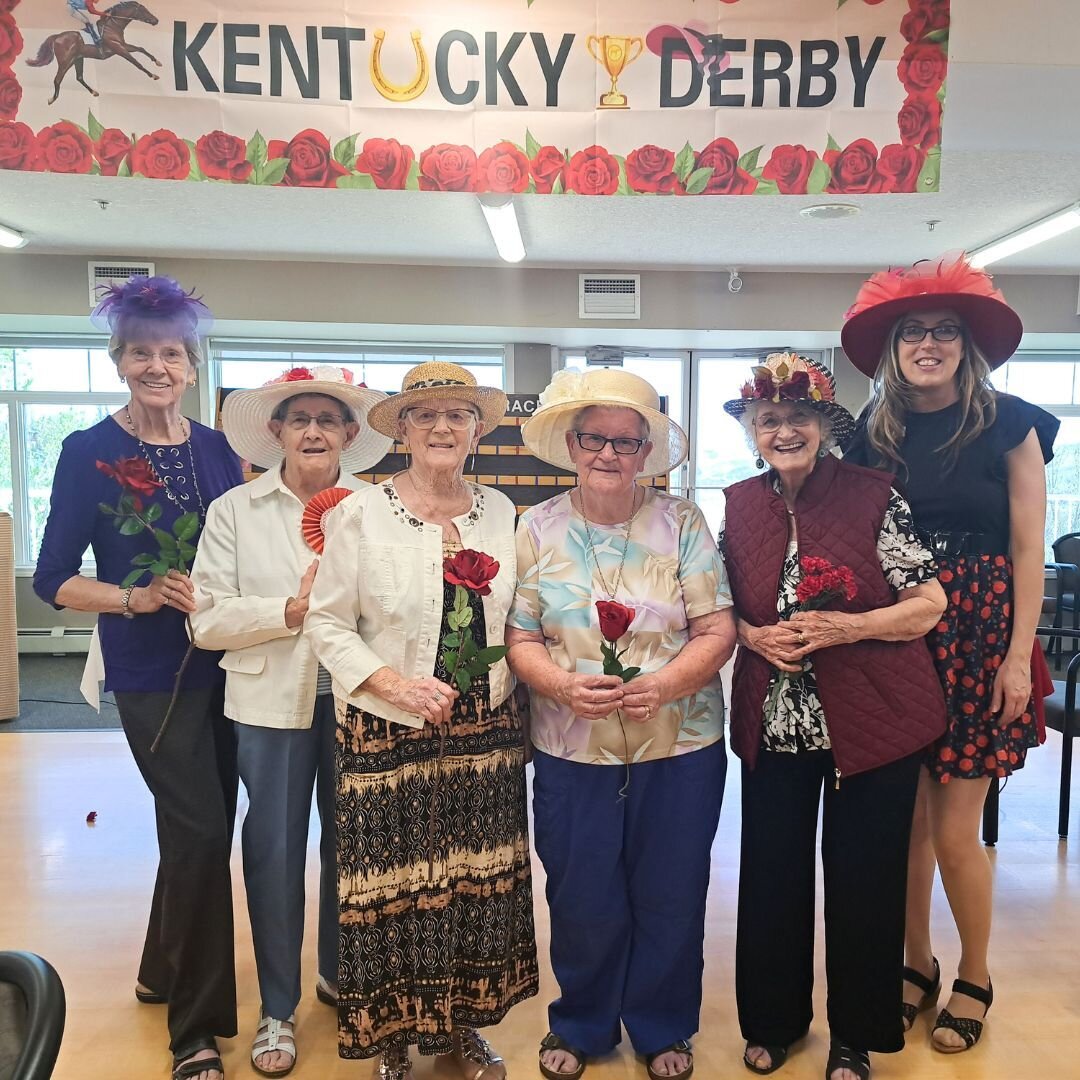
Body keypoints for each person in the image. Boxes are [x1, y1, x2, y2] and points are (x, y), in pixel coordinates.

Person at [842, 256, 1058, 1054]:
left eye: (943, 331)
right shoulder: (873, 432)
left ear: (966, 346)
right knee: (905, 826)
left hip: (981, 632)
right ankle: (916, 964)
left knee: (958, 826)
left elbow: (1031, 549)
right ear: (894, 348)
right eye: (912, 332)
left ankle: (976, 972)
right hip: (900, 628)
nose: (927, 343)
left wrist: (1017, 657)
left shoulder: (1012, 421)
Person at [33, 276, 243, 1080]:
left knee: (205, 827)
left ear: (191, 365)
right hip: (154, 672)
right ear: (119, 360)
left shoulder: (217, 447)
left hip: (231, 662)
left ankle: (161, 969)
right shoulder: (88, 452)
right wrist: (138, 596)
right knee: (194, 832)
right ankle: (194, 1031)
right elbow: (52, 579)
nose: (158, 365)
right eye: (141, 352)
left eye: (172, 353)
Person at [304, 362, 537, 1080]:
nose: (442, 426)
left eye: (458, 414)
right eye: (426, 414)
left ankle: (460, 1028)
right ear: (401, 428)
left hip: (481, 729)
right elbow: (327, 622)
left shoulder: (502, 514)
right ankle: (393, 1043)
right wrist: (393, 686)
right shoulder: (361, 513)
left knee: (472, 883)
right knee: (394, 888)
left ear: (476, 429)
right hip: (386, 724)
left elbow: (520, 615)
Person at [720, 353, 948, 1080]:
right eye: (768, 420)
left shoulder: (874, 495)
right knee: (771, 875)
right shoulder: (739, 503)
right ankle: (774, 1022)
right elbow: (718, 605)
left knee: (866, 881)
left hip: (874, 721)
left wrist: (847, 628)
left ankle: (859, 1033)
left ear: (824, 425)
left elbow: (929, 603)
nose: (783, 431)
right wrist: (752, 637)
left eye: (797, 418)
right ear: (754, 431)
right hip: (775, 718)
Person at [505, 367, 735, 1080]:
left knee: (671, 888)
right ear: (572, 444)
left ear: (645, 451)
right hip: (571, 745)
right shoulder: (535, 526)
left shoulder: (683, 523)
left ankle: (664, 1026)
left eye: (625, 442)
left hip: (682, 740)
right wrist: (561, 686)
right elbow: (519, 637)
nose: (609, 454)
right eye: (595, 440)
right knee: (581, 891)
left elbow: (718, 628)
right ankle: (581, 1024)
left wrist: (666, 683)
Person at [189, 365, 392, 1076]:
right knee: (274, 852)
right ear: (275, 431)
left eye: (328, 420)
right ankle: (277, 1008)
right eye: (299, 418)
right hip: (269, 703)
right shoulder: (235, 512)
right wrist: (291, 612)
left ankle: (341, 975)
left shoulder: (378, 508)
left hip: (361, 702)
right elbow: (207, 620)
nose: (313, 430)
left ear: (350, 434)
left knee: (357, 850)